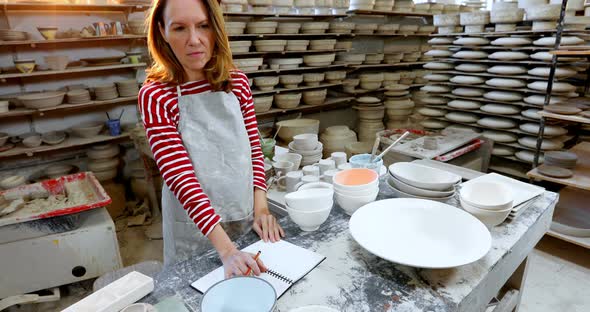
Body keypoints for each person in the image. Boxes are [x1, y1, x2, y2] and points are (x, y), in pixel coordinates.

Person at [139, 0, 285, 277]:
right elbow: (179, 176)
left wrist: (262, 207)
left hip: (243, 214)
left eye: (203, 26)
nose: (194, 40)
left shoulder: (237, 82)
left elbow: (254, 148)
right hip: (195, 228)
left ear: (216, 28)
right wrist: (227, 250)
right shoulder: (156, 95)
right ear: (162, 31)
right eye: (179, 28)